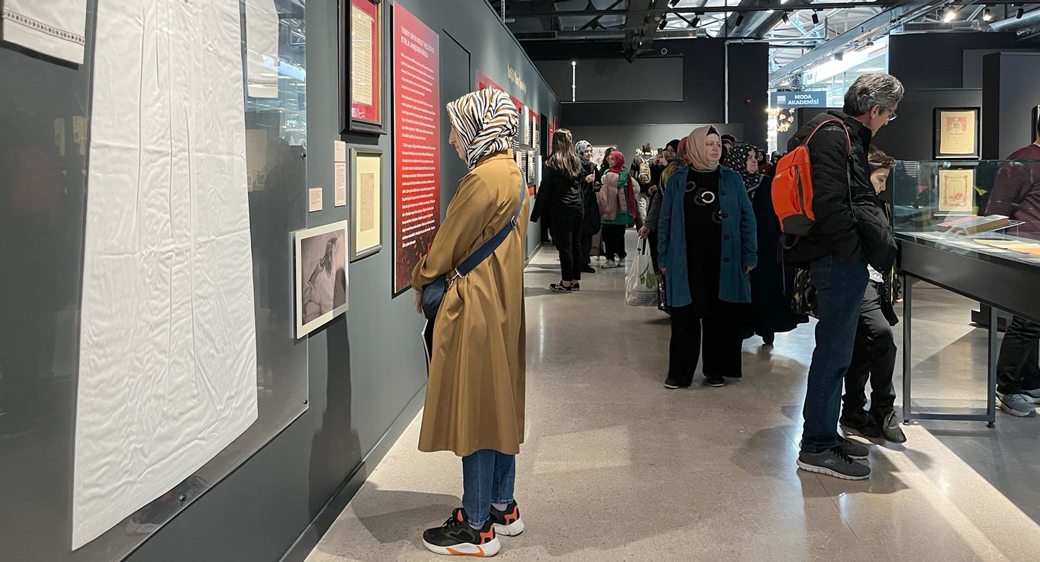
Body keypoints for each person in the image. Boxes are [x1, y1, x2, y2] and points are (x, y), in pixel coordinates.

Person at [412, 89, 528, 557]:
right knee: (499, 402)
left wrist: (420, 278)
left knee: (475, 410)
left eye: (458, 129)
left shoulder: (481, 179)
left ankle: (476, 526)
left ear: (481, 129)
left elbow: (446, 246)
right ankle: (503, 505)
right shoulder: (512, 172)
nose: (452, 139)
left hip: (475, 304)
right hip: (501, 303)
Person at [788, 73, 903, 480]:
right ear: (875, 110)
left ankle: (825, 434)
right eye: (888, 115)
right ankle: (816, 446)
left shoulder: (836, 132)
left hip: (838, 258)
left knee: (838, 353)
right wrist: (853, 254)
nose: (888, 121)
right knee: (832, 355)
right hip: (837, 260)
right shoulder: (836, 136)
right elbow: (832, 203)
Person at [658, 126, 757, 388]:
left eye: (717, 144)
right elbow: (665, 219)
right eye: (709, 144)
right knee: (684, 318)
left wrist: (750, 254)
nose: (715, 149)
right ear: (695, 148)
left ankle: (716, 370)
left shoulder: (733, 178)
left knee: (719, 317)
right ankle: (679, 373)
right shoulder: (678, 179)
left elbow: (747, 219)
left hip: (724, 258)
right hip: (686, 259)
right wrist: (663, 259)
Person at [839, 147, 906, 442]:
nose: (883, 187)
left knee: (863, 343)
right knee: (881, 336)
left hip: (874, 283)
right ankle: (882, 408)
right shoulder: (848, 207)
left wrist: (893, 287)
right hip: (856, 280)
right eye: (879, 179)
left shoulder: (879, 206)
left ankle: (855, 408)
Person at [723, 142, 803, 345]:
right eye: (748, 157)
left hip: (765, 245)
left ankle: (766, 328)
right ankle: (743, 328)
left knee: (765, 287)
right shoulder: (727, 184)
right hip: (735, 245)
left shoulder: (767, 183)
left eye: (754, 157)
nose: (753, 161)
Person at [987, 120, 1040, 416]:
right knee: (1027, 320)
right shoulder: (1023, 160)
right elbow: (997, 208)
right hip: (1026, 249)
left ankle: (1030, 378)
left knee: (1033, 317)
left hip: (1034, 248)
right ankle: (1008, 386)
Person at [531, 128, 586, 292]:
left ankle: (566, 282)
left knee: (565, 247)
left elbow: (545, 190)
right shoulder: (576, 162)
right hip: (578, 208)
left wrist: (535, 214)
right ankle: (575, 280)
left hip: (562, 209)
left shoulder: (552, 162)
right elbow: (581, 185)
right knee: (576, 244)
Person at [598, 150, 642, 268]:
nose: (610, 161)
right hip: (608, 207)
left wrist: (606, 181)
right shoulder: (607, 171)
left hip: (620, 210)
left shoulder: (624, 173)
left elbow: (619, 182)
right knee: (607, 236)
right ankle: (610, 259)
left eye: (613, 159)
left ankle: (621, 256)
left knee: (618, 236)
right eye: (609, 159)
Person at [575, 140, 602, 274]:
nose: (589, 154)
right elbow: (572, 184)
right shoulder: (574, 166)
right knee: (578, 235)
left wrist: (596, 185)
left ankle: (584, 261)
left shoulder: (592, 166)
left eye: (590, 151)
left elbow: (598, 183)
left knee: (587, 234)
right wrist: (584, 181)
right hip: (578, 203)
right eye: (586, 151)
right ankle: (577, 262)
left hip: (590, 204)